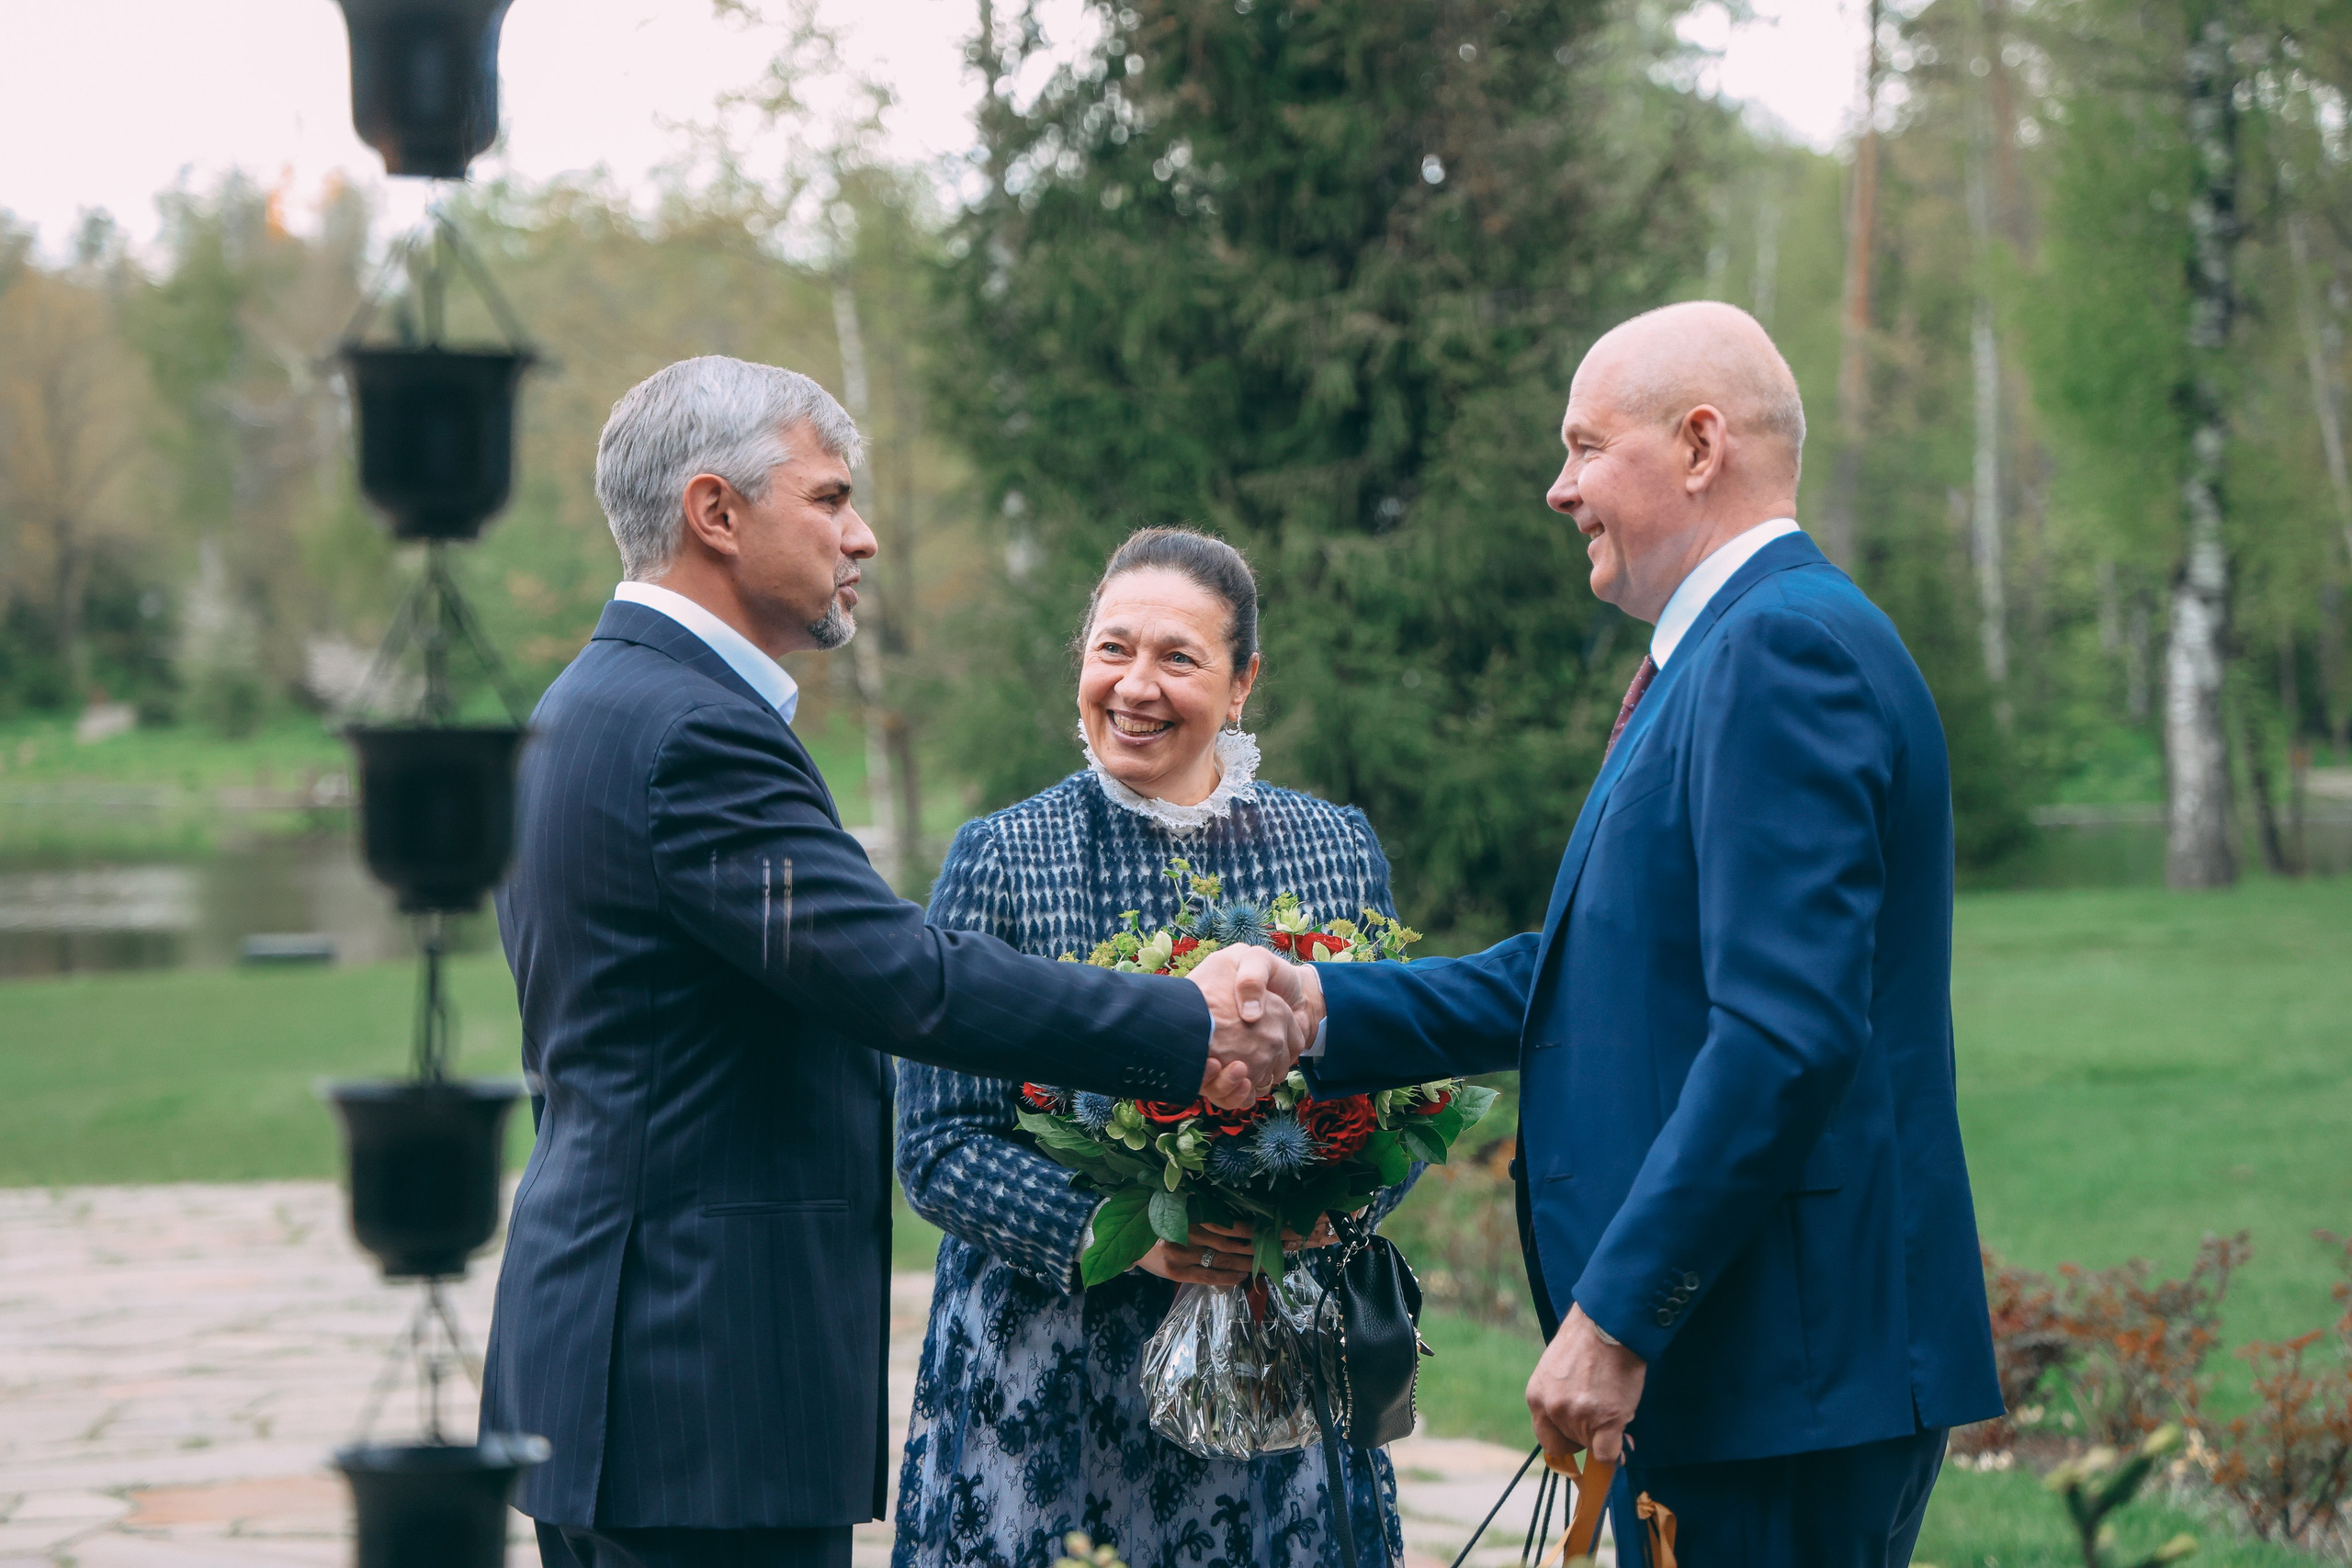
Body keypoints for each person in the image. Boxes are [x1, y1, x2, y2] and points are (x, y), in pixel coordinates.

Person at [481, 359, 1313, 1568]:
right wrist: (1186, 1023)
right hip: (693, 1377)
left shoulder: (598, 700)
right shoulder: (692, 734)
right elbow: (902, 975)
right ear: (715, 512)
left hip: (634, 1367)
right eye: (828, 498)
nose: (861, 535)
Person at [1291, 302, 2003, 1566]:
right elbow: (1595, 973)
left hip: (1780, 1373)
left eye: (1583, 447)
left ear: (1698, 444)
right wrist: (1317, 1015)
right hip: (1764, 1376)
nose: (1558, 489)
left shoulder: (1780, 650)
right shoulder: (1733, 648)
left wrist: (1619, 1313)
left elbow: (1787, 1034)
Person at [892, 528, 1415, 1568]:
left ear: (1241, 683)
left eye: (1177, 657)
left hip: (1276, 1376)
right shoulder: (1002, 856)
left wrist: (1303, 1210)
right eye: (1110, 650)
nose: (1134, 686)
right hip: (1047, 1380)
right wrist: (1123, 1233)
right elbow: (937, 1143)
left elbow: (1398, 1098)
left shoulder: (1333, 847)